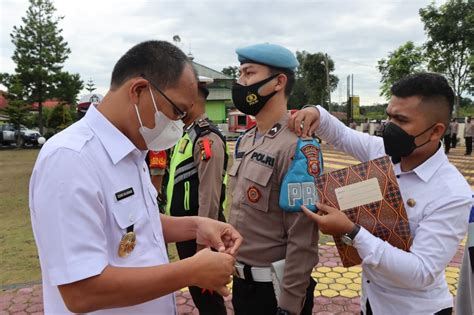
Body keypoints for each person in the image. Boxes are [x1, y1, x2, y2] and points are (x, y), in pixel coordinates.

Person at [29, 40, 242, 314]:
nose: (180, 123)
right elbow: (80, 292)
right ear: (139, 91)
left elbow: (136, 224)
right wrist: (189, 271)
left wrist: (196, 226)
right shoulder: (71, 159)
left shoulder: (132, 150)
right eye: (177, 111)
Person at [289, 72, 472, 315]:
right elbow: (342, 135)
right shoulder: (383, 154)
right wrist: (316, 112)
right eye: (388, 117)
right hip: (371, 303)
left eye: (401, 120)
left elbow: (422, 272)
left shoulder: (453, 193)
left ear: (436, 131)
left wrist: (351, 232)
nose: (389, 128)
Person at [228, 43, 319, 315]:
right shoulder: (245, 140)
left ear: (279, 82)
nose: (240, 82)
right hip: (242, 286)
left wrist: (289, 306)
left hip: (276, 293)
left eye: (248, 73)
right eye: (240, 74)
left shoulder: (297, 147)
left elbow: (303, 237)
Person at [165, 76, 228, 314]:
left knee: (208, 299)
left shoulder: (205, 138)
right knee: (198, 292)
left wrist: (204, 245)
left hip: (200, 234)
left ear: (191, 101)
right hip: (186, 229)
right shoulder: (187, 133)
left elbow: (209, 194)